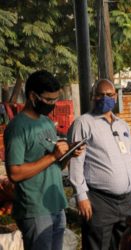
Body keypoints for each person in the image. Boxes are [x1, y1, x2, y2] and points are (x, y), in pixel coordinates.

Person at [4, 70, 84, 250]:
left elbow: (55, 165)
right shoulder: (17, 128)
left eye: (55, 100)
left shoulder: (46, 122)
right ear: (33, 96)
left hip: (56, 203)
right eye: (48, 100)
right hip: (35, 209)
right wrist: (52, 156)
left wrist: (68, 154)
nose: (53, 104)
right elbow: (14, 173)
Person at [67, 79, 131, 250]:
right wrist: (81, 196)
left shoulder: (122, 125)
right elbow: (75, 162)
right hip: (99, 201)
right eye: (100, 95)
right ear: (92, 97)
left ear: (115, 97)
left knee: (127, 244)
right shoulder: (83, 123)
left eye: (109, 95)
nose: (105, 98)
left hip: (127, 201)